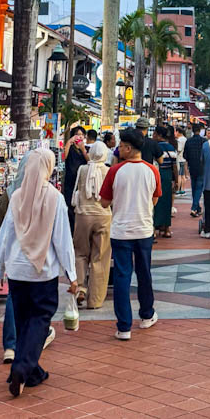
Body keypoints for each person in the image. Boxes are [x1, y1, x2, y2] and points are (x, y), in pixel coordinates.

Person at [0, 150, 78, 397]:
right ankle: (21, 367)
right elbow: (62, 238)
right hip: (43, 271)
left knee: (24, 319)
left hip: (17, 272)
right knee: (40, 320)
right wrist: (72, 273)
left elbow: (5, 234)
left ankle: (33, 371)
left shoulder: (17, 196)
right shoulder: (55, 198)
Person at [99, 128, 161, 340]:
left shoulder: (115, 171)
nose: (119, 149)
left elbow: (104, 202)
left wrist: (119, 203)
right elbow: (155, 199)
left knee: (122, 276)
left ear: (127, 147)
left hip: (121, 230)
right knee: (144, 273)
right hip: (143, 230)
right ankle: (146, 315)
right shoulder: (152, 170)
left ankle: (124, 326)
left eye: (121, 145)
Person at [72, 141, 112, 308]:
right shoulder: (108, 171)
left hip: (82, 215)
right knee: (100, 257)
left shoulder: (82, 169)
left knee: (80, 253)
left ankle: (80, 288)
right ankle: (95, 299)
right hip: (103, 216)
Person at [152, 125, 178, 237]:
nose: (152, 136)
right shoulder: (171, 148)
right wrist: (176, 180)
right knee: (167, 202)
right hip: (167, 176)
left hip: (156, 174)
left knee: (155, 202)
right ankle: (166, 228)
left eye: (154, 134)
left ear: (158, 135)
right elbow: (175, 166)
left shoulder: (154, 147)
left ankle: (154, 227)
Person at [62, 126, 88, 231]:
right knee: (70, 206)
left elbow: (89, 160)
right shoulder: (70, 148)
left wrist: (83, 149)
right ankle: (71, 229)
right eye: (77, 134)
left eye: (82, 135)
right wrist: (69, 143)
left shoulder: (86, 149)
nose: (80, 137)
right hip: (70, 182)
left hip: (81, 183)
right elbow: (64, 157)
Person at [184, 122, 205, 217]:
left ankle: (197, 208)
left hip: (192, 166)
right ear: (200, 130)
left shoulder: (188, 141)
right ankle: (194, 207)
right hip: (201, 167)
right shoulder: (204, 141)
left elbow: (185, 155)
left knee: (194, 187)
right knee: (199, 188)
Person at [175, 127, 187, 194]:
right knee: (182, 175)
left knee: (179, 175)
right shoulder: (185, 139)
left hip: (179, 159)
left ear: (178, 132)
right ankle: (182, 189)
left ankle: (178, 189)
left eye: (176, 132)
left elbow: (179, 149)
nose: (175, 133)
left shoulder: (179, 140)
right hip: (183, 159)